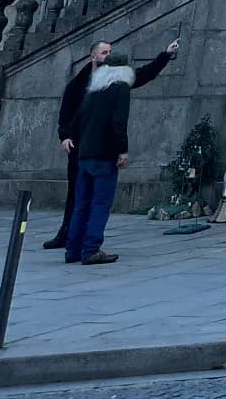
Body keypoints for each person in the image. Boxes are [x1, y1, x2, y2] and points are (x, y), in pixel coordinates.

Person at [59, 40, 179, 266]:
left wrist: (70, 138)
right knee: (100, 203)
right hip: (104, 154)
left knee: (82, 203)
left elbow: (78, 119)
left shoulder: (93, 88)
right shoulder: (119, 88)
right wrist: (122, 150)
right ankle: (91, 249)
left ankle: (72, 249)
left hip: (84, 153)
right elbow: (118, 122)